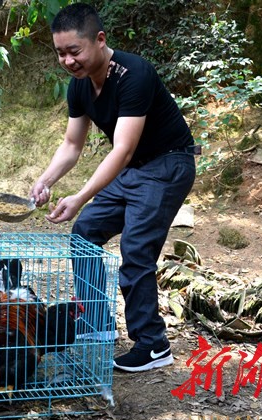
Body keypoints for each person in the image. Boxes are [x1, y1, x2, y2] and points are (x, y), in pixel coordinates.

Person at [29, 4, 196, 373]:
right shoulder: (79, 86)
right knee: (85, 231)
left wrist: (80, 196)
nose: (68, 61)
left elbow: (122, 150)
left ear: (100, 40)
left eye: (75, 51)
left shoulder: (134, 74)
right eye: (60, 53)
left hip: (169, 163)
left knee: (135, 249)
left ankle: (153, 345)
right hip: (136, 169)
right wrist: (45, 180)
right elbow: (72, 144)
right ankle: (97, 325)